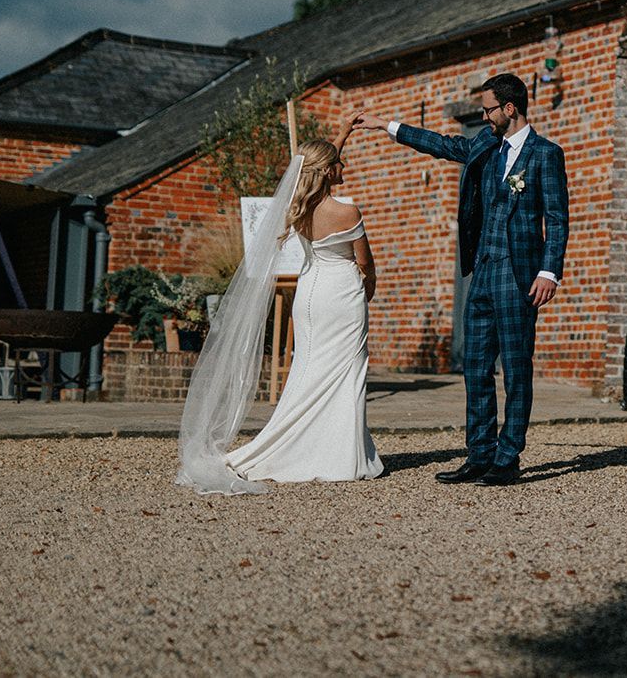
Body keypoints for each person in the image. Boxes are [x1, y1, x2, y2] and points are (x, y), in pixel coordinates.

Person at [175, 114, 381, 494]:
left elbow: (315, 161)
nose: (344, 165)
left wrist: (344, 133)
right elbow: (364, 261)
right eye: (340, 163)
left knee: (308, 370)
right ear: (328, 171)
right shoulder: (347, 212)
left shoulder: (296, 206)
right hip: (341, 295)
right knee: (346, 372)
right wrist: (370, 286)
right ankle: (340, 455)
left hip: (308, 294)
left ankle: (293, 443)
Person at [384, 72, 568, 486]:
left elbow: (556, 219)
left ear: (509, 108)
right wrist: (391, 127)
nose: (483, 116)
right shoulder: (485, 145)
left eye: (487, 109)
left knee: (516, 368)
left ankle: (509, 457)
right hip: (482, 272)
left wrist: (549, 271)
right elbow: (445, 146)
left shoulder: (545, 154)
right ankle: (480, 454)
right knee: (476, 367)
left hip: (519, 275)